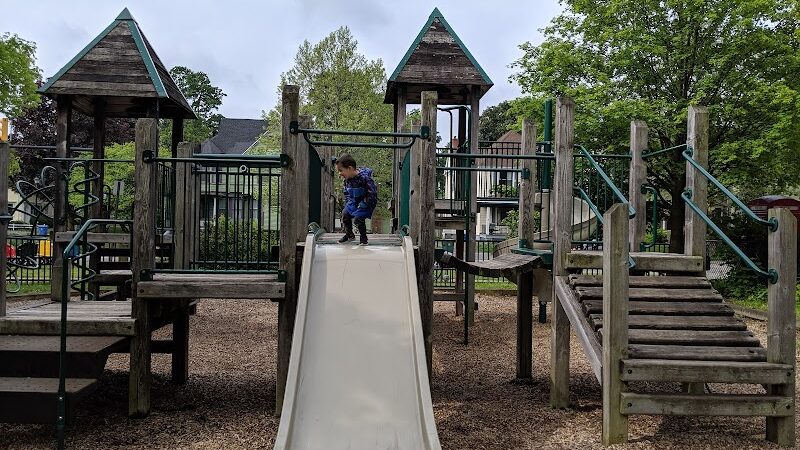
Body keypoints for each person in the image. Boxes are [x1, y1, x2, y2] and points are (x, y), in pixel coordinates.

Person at [336, 154, 377, 245]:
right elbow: (346, 192)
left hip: (366, 202)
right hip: (354, 201)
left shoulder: (364, 178)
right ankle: (349, 235)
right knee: (345, 214)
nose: (339, 173)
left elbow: (372, 193)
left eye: (341, 170)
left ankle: (363, 239)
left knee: (358, 218)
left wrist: (364, 203)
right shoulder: (347, 179)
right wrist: (349, 202)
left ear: (349, 168)